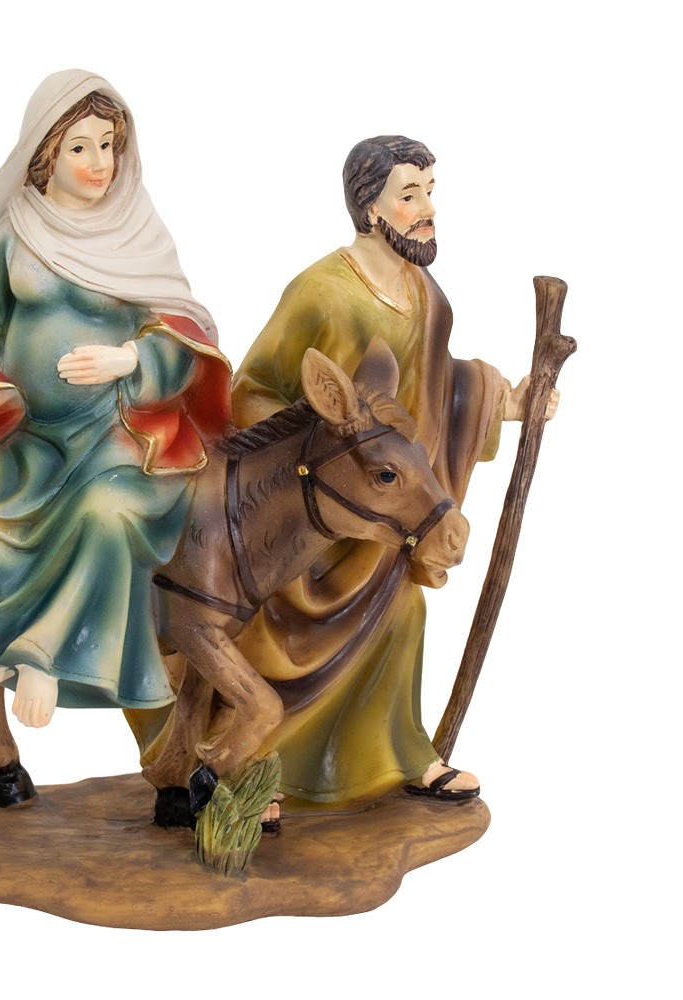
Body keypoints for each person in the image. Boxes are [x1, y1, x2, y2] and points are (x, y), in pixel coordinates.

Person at [0, 70, 230, 730]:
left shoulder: (136, 234)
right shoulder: (16, 231)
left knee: (106, 514)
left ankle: (41, 657)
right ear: (46, 155)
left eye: (108, 145)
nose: (100, 162)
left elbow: (184, 333)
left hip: (116, 437)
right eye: (80, 147)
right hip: (29, 436)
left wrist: (131, 359)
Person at [225, 135, 555, 808]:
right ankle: (251, 768)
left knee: (402, 609)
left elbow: (439, 383)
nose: (427, 209)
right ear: (369, 208)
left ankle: (401, 754)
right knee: (276, 629)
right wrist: (316, 450)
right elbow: (252, 389)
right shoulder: (321, 291)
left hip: (383, 501)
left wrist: (506, 402)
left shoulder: (424, 294)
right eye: (410, 195)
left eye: (430, 191)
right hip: (314, 505)